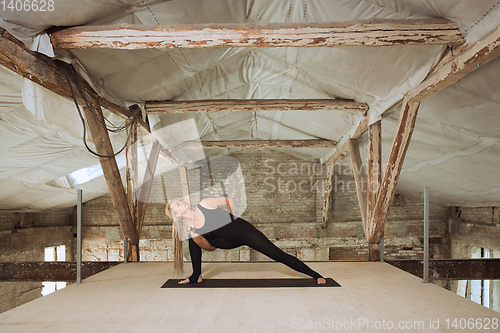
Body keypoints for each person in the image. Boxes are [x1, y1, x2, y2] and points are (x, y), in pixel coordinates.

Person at [165, 197, 326, 285]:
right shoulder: (194, 232)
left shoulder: (205, 203)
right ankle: (196, 276)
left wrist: (233, 218)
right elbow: (211, 248)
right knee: (193, 238)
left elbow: (228, 200)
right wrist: (201, 238)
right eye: (178, 204)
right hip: (225, 242)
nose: (182, 202)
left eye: (180, 200)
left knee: (277, 255)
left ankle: (315, 274)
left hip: (244, 232)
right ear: (177, 215)